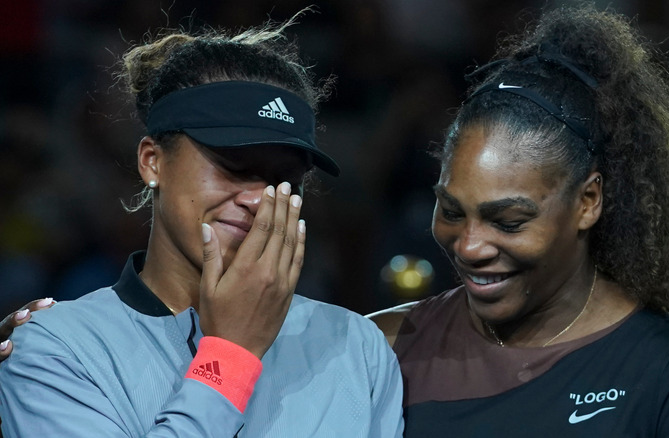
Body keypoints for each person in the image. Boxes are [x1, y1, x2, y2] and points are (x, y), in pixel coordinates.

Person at [0, 17, 403, 438]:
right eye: (233, 165)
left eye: (284, 180)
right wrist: (231, 355)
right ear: (152, 161)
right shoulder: (55, 349)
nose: (258, 199)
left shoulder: (356, 346)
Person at [368, 5, 669, 437]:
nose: (469, 246)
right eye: (453, 211)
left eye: (509, 221)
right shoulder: (379, 347)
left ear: (588, 201)